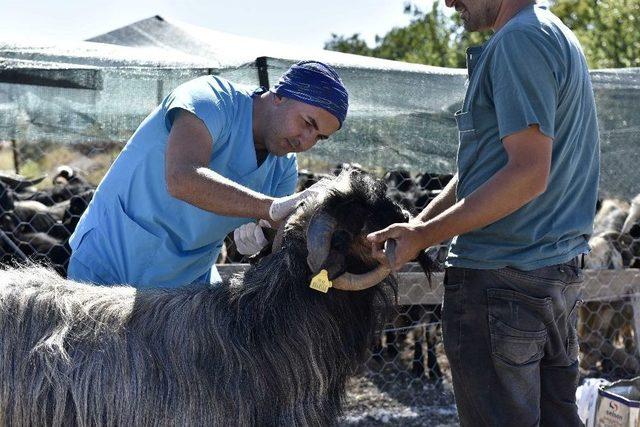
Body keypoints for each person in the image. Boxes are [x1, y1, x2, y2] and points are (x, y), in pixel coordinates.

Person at [368, 0, 599, 425]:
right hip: (552, 276)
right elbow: (486, 171)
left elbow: (528, 174)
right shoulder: (551, 34)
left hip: (501, 283)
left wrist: (425, 235)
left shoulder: (517, 42)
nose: (449, 2)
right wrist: (420, 230)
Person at [68, 61, 348, 288]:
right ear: (279, 96)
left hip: (185, 285)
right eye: (307, 123)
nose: (306, 141)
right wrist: (269, 208)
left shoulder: (283, 167)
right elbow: (182, 178)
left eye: (319, 137)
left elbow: (276, 227)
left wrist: (259, 240)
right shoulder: (210, 100)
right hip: (111, 263)